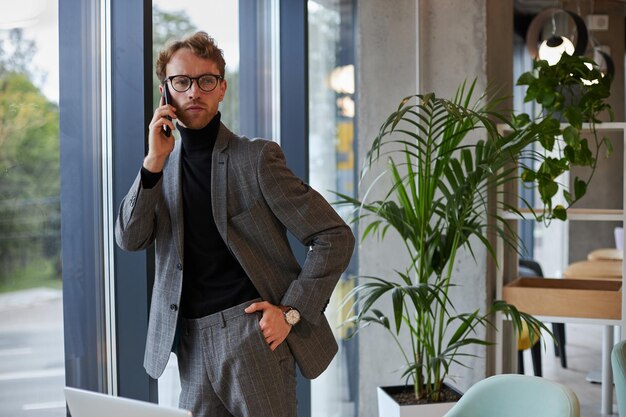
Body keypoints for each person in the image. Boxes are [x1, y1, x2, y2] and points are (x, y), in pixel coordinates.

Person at [115, 31, 355, 417]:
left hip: (251, 338)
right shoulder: (160, 166)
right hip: (190, 344)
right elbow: (130, 237)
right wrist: (152, 163)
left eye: (205, 80)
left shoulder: (255, 159)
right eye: (181, 81)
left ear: (222, 88)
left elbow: (334, 236)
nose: (194, 92)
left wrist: (291, 312)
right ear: (166, 92)